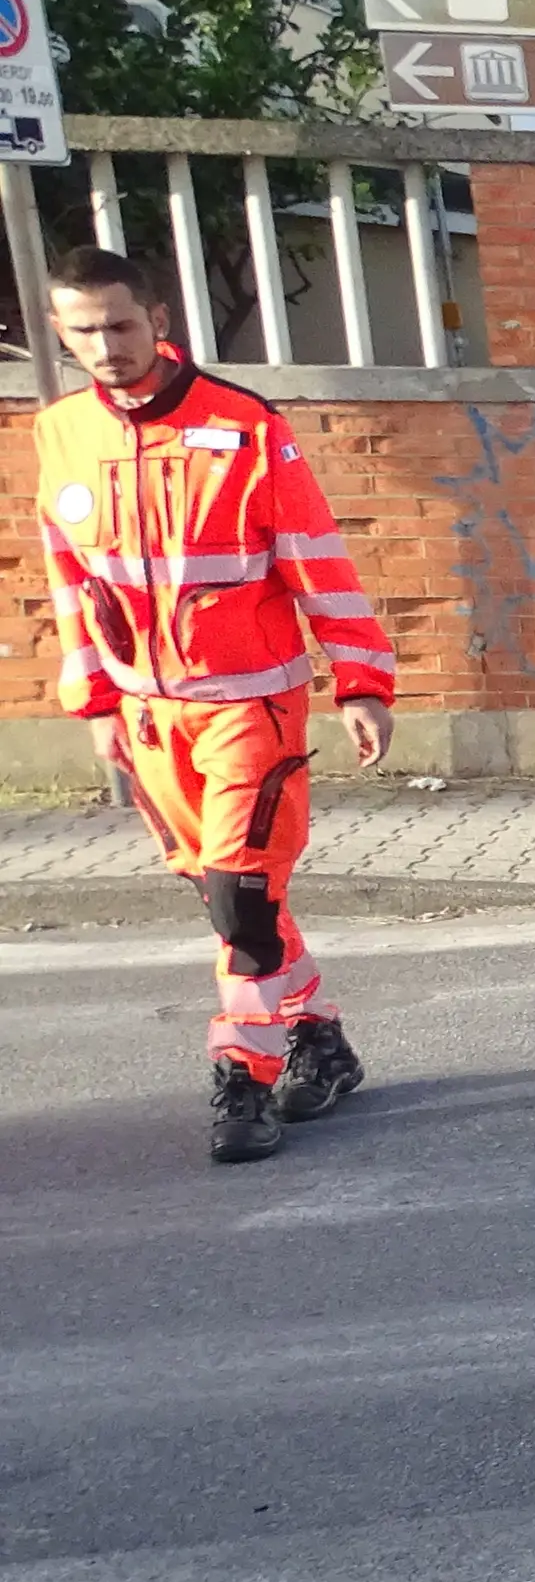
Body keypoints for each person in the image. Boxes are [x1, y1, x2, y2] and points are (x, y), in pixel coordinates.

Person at [36, 245, 396, 1164]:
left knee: (240, 899)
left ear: (158, 320)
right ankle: (319, 1036)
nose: (107, 344)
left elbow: (315, 557)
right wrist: (99, 704)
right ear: (60, 333)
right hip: (154, 716)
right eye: (85, 330)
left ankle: (245, 1076)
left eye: (121, 324)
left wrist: (361, 681)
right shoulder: (62, 432)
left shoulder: (242, 426)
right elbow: (73, 578)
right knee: (238, 900)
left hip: (252, 706)